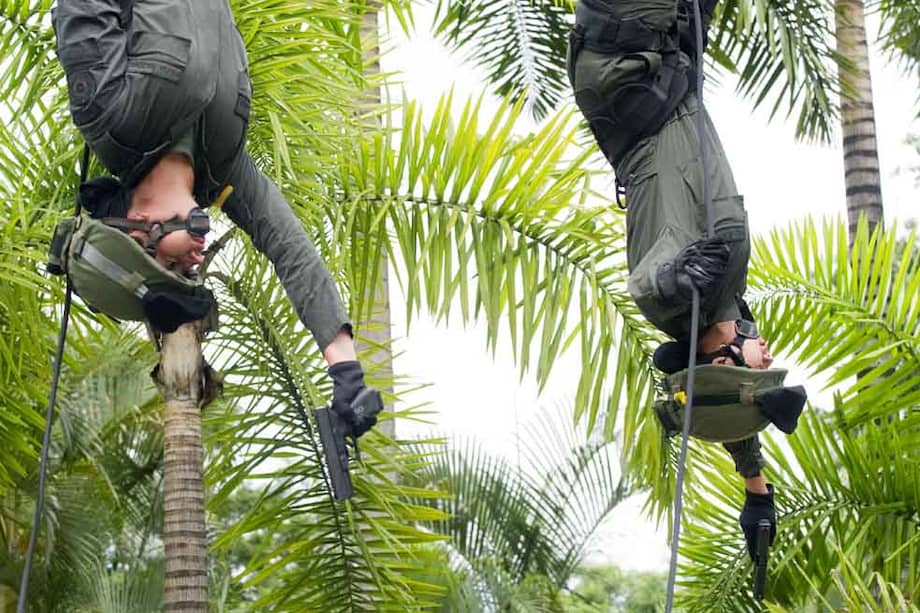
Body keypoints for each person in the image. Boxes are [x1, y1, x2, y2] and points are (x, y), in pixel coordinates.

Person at [51, 0, 376, 438]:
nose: (191, 264)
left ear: (137, 224)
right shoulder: (223, 167)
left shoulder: (111, 121)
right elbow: (289, 247)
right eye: (185, 274)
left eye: (168, 266)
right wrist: (345, 370)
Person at [567, 0, 800, 559]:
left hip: (629, 63)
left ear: (723, 361)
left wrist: (675, 278)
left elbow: (648, 282)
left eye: (760, 372)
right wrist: (756, 489)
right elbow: (727, 404)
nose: (769, 360)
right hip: (659, 62)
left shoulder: (683, 300)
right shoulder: (726, 307)